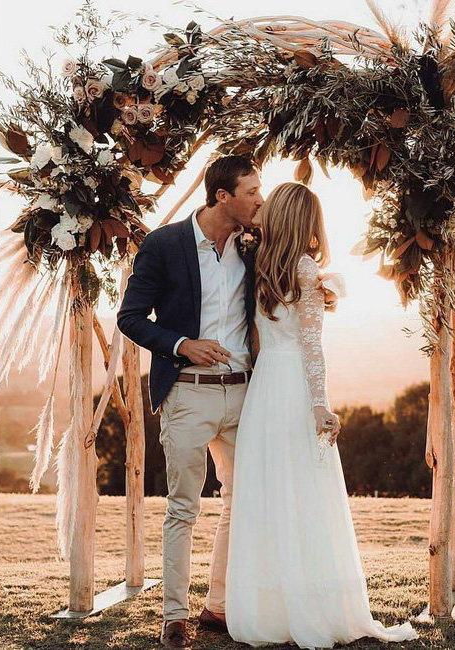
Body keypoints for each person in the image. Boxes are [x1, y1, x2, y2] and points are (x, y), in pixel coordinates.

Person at [225, 182, 417, 647]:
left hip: (265, 387)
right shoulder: (305, 269)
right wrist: (319, 404)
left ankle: (271, 610)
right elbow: (312, 345)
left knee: (272, 492)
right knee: (305, 492)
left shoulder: (261, 264)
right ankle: (308, 606)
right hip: (290, 386)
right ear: (306, 223)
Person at [117, 155, 263, 649]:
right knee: (183, 507)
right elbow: (131, 317)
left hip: (246, 394)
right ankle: (174, 617)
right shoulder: (164, 244)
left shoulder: (254, 246)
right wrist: (182, 344)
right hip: (188, 393)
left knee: (243, 502)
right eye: (251, 192)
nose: (259, 200)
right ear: (223, 196)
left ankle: (218, 606)